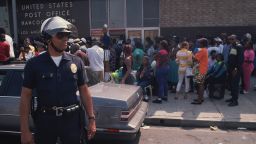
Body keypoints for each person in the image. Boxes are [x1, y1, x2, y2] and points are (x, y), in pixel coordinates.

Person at [20, 16, 96, 144]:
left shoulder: (76, 62)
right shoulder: (34, 64)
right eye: (61, 35)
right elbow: (25, 97)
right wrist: (25, 130)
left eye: (67, 34)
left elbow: (84, 91)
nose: (66, 38)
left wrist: (92, 119)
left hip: (72, 122)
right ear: (48, 39)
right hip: (45, 122)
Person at [225, 35, 243, 106]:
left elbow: (240, 59)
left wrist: (236, 68)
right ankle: (232, 98)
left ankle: (235, 101)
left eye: (232, 39)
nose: (230, 40)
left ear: (236, 39)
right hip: (230, 68)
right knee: (231, 84)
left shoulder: (239, 47)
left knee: (235, 84)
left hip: (236, 69)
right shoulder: (232, 46)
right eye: (229, 39)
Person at [191, 38, 208, 105]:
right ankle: (201, 98)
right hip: (202, 69)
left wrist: (190, 53)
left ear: (202, 44)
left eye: (199, 43)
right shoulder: (205, 50)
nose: (198, 44)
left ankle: (199, 100)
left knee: (200, 85)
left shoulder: (202, 50)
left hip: (200, 70)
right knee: (201, 84)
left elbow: (195, 59)